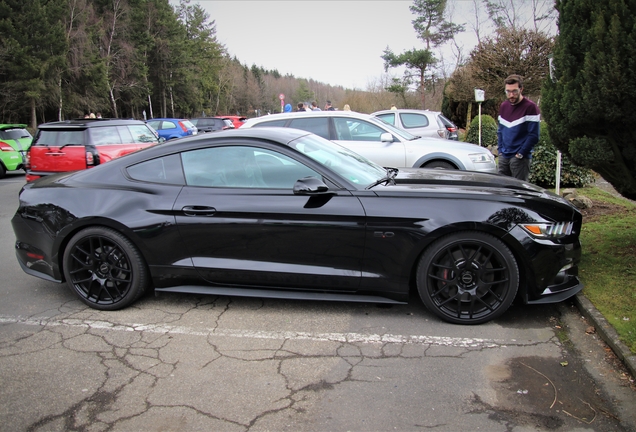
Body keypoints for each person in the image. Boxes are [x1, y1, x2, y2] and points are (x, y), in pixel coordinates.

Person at [497, 74, 540, 182]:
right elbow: (500, 131)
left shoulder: (530, 107)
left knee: (519, 192)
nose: (511, 95)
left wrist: (520, 154)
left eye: (514, 91)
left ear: (521, 89)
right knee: (501, 189)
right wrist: (500, 151)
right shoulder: (504, 106)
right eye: (508, 91)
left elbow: (534, 135)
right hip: (504, 156)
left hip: (520, 158)